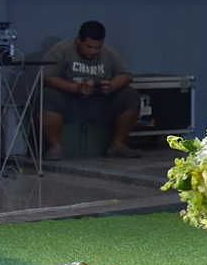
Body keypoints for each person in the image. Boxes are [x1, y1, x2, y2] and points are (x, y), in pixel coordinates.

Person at [41, 20, 142, 160]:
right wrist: (77, 88)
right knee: (48, 97)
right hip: (69, 100)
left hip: (100, 101)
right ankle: (54, 147)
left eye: (97, 48)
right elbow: (47, 78)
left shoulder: (108, 53)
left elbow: (126, 75)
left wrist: (112, 85)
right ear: (78, 40)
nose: (93, 51)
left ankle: (116, 146)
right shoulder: (61, 50)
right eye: (88, 47)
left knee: (130, 96)